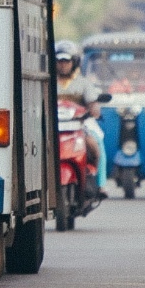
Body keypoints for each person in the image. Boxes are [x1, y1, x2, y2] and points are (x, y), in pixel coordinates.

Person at [54, 40, 105, 196]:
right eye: (59, 61)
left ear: (74, 62)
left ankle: (100, 183)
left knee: (96, 142)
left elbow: (93, 105)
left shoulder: (83, 83)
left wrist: (93, 111)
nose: (63, 65)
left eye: (66, 61)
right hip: (54, 124)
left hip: (80, 123)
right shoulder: (48, 82)